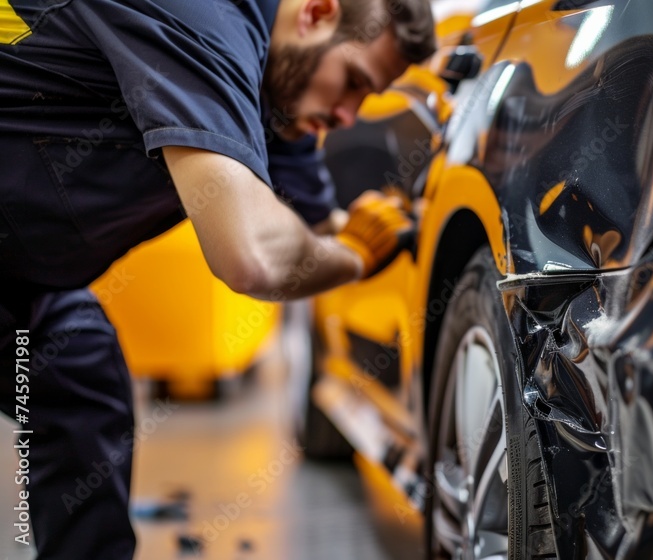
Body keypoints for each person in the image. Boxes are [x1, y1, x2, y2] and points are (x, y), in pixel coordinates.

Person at [0, 0, 435, 557]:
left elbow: (311, 231)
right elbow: (251, 253)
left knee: (79, 370)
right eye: (352, 81)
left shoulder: (277, 95)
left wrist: (389, 229)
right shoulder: (201, 16)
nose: (350, 114)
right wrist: (351, 255)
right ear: (317, 14)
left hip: (26, 283)